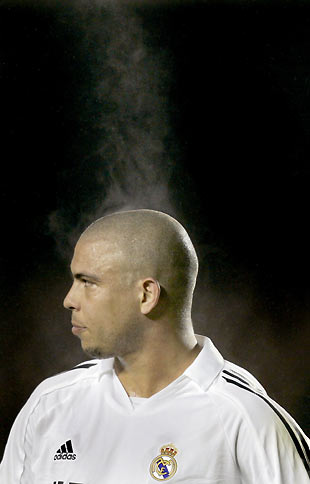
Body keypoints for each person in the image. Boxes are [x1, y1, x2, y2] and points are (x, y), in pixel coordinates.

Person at [0, 209, 309, 484]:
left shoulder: (249, 420)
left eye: (88, 282)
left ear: (146, 295)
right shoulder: (49, 405)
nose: (69, 300)